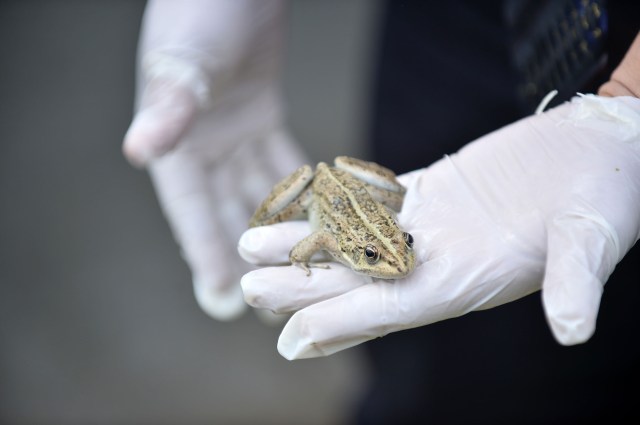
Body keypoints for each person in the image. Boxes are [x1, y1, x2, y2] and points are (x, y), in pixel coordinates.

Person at [124, 0, 640, 422]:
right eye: (380, 253)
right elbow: (310, 241)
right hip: (463, 30)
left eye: (403, 245)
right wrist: (303, 258)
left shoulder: (385, 244)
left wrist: (630, 96)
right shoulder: (340, 240)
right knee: (424, 376)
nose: (399, 261)